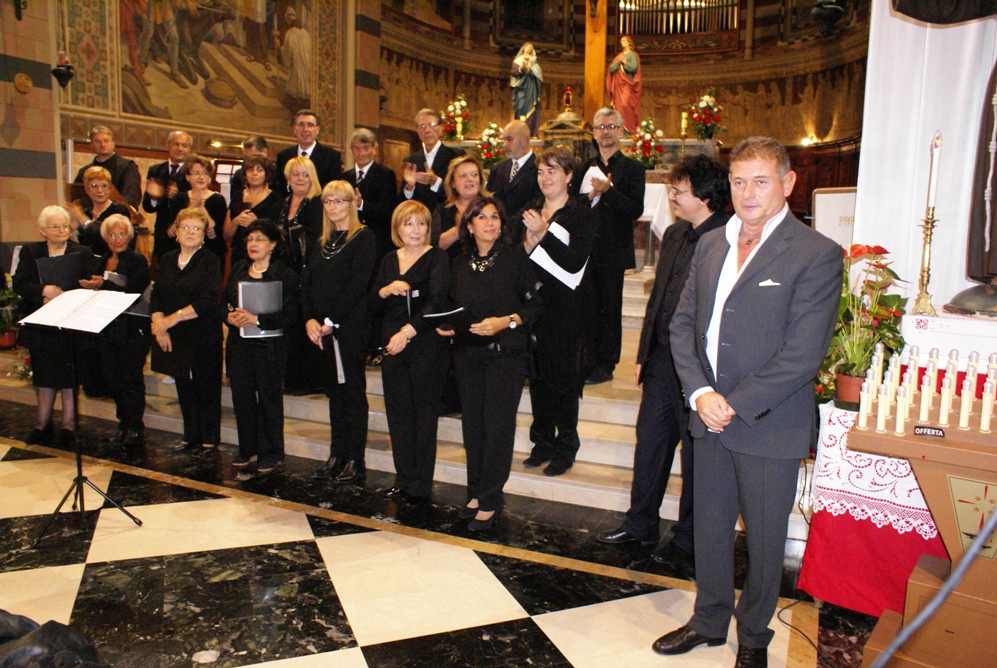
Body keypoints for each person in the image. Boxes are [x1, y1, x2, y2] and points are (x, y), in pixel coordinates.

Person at [655, 138, 842, 668]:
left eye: (761, 181)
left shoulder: (816, 252)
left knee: (763, 539)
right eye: (739, 181)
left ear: (788, 183)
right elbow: (683, 324)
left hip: (767, 421)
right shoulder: (710, 244)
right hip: (707, 413)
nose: (748, 192)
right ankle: (709, 619)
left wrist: (731, 403)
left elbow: (802, 355)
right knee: (709, 528)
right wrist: (700, 393)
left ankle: (755, 635)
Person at [595, 155, 731, 569]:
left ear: (705, 196)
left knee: (695, 457)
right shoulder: (673, 233)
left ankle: (687, 538)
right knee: (650, 446)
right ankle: (640, 524)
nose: (672, 196)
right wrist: (642, 354)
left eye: (679, 190)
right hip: (659, 363)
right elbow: (658, 299)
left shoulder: (727, 239)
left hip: (698, 373)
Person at [441, 195, 542, 531]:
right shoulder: (459, 262)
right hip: (468, 355)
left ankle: (492, 498)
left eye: (495, 217)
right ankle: (476, 490)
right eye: (481, 217)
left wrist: (505, 321)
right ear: (469, 225)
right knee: (473, 426)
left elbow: (535, 307)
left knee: (497, 426)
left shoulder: (514, 259)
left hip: (505, 355)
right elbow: (453, 306)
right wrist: (446, 324)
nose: (489, 223)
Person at [520, 148, 597, 477]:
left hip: (567, 306)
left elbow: (574, 261)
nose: (545, 177)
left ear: (569, 176)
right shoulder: (532, 209)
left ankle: (566, 446)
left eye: (552, 171)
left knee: (563, 378)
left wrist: (543, 233)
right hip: (536, 303)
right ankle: (542, 443)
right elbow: (522, 259)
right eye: (540, 171)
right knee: (538, 377)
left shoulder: (580, 213)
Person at [370, 201, 450, 503]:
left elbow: (437, 304)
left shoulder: (437, 257)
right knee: (398, 413)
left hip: (425, 344)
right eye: (409, 223)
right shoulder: (390, 259)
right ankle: (403, 477)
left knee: (423, 415)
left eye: (421, 224)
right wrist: (385, 290)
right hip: (393, 344)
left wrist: (407, 333)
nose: (415, 230)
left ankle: (420, 484)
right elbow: (373, 304)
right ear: (397, 228)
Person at [303, 181, 377, 484]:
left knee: (352, 393)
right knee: (334, 393)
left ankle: (355, 459)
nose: (333, 206)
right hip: (323, 329)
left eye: (339, 200)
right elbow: (307, 284)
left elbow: (359, 286)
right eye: (327, 201)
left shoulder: (364, 237)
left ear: (351, 202)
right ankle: (337, 454)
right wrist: (309, 319)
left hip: (349, 328)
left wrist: (331, 319)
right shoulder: (323, 241)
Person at [223, 220, 299, 480]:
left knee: (268, 397)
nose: (253, 244)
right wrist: (230, 317)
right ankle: (248, 448)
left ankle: (271, 451)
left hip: (269, 346)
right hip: (239, 343)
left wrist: (258, 319)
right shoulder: (238, 269)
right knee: (241, 396)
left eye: (259, 239)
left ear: (273, 245)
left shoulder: (284, 274)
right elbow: (226, 304)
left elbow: (291, 314)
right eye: (250, 239)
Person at [575, 108, 646, 385]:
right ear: (593, 133)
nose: (605, 131)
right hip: (584, 249)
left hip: (613, 250)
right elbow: (573, 207)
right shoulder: (582, 168)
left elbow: (635, 210)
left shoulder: (632, 169)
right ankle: (587, 359)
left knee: (610, 307)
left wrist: (609, 192)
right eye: (600, 126)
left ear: (620, 132)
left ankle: (606, 363)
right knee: (587, 307)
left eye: (611, 126)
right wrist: (590, 194)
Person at [13, 206, 94, 446]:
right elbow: (20, 284)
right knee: (44, 375)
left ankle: (69, 425)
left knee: (70, 376)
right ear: (42, 231)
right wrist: (43, 291)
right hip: (42, 323)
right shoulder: (31, 251)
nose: (61, 230)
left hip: (70, 322)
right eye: (54, 226)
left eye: (65, 225)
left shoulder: (82, 251)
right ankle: (42, 424)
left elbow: (89, 284)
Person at [150, 206, 223, 452]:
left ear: (204, 235)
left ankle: (209, 438)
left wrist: (172, 319)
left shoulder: (209, 260)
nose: (191, 232)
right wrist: (160, 325)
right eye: (186, 227)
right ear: (177, 232)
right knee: (183, 386)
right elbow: (157, 295)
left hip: (203, 333)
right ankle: (190, 435)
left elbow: (208, 299)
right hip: (176, 335)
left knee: (207, 387)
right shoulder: (169, 259)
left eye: (197, 229)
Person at [79, 213, 151, 448]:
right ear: (105, 237)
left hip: (132, 329)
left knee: (131, 379)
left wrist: (104, 285)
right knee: (113, 379)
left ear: (129, 236)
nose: (117, 239)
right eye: (112, 234)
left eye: (121, 234)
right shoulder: (101, 260)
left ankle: (135, 427)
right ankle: (123, 423)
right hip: (108, 328)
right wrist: (92, 287)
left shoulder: (137, 260)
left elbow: (134, 290)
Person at [278, 156, 324, 395]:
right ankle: (288, 375)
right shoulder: (284, 202)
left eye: (304, 174)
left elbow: (316, 238)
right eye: (295, 174)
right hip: (284, 272)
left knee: (302, 320)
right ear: (288, 178)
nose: (299, 179)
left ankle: (305, 380)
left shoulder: (315, 203)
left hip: (306, 271)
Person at [346, 128, 398, 264]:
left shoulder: (385, 175)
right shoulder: (345, 177)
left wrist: (361, 205)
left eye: (366, 148)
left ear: (375, 149)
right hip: (350, 240)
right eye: (356, 148)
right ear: (351, 151)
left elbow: (387, 211)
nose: (361, 153)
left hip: (376, 242)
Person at [165, 154, 228, 265]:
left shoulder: (218, 200)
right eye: (196, 173)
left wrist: (201, 208)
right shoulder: (180, 198)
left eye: (205, 173)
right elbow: (171, 233)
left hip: (210, 254)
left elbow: (213, 234)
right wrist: (189, 208)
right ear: (187, 177)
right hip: (181, 253)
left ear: (209, 177)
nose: (201, 177)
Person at [143, 130, 193, 267]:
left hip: (186, 232)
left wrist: (179, 194)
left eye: (184, 145)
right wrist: (154, 197)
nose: (180, 149)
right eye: (176, 144)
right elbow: (147, 207)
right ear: (168, 145)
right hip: (162, 233)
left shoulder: (194, 172)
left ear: (189, 149)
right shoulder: (156, 170)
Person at [400, 108, 465, 212]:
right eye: (422, 126)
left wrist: (436, 182)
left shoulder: (456, 156)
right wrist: (409, 187)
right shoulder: (410, 161)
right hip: (419, 219)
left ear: (440, 128)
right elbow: (402, 202)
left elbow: (461, 192)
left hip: (447, 217)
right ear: (418, 131)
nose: (427, 130)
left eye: (432, 125)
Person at [224, 154, 282, 267]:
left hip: (264, 255)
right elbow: (226, 234)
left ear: (267, 174)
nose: (254, 173)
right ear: (245, 173)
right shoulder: (237, 195)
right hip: (239, 254)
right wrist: (236, 221)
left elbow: (277, 233)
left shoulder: (276, 198)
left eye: (259, 170)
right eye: (250, 169)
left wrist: (257, 223)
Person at [432, 155, 490, 263]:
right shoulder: (443, 210)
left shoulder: (492, 206)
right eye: (463, 176)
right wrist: (459, 229)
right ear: (453, 183)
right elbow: (434, 247)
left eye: (474, 175)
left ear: (481, 180)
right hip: (451, 270)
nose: (469, 179)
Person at [67, 166, 132, 256]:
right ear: (87, 189)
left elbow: (104, 238)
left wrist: (83, 220)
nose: (99, 190)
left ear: (110, 188)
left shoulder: (119, 211)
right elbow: (80, 244)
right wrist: (73, 231)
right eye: (94, 186)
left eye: (103, 185)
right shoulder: (85, 211)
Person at [73, 126, 142, 209]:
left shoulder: (127, 167)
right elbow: (76, 199)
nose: (102, 144)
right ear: (92, 145)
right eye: (97, 141)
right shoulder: (84, 172)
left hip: (119, 217)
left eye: (106, 140)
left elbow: (131, 198)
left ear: (113, 144)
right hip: (92, 218)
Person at [485, 120, 541, 221]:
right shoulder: (497, 169)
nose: (504, 145)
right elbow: (488, 202)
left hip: (524, 230)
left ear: (524, 140)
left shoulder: (539, 169)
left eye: (509, 139)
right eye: (503, 140)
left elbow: (537, 204)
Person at [274, 110, 342, 192]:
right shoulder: (283, 156)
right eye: (301, 124)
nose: (305, 129)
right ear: (295, 128)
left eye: (310, 125)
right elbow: (279, 188)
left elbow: (334, 190)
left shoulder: (331, 156)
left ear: (317, 129)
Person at [606, 36, 642, 135]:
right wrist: (619, 62)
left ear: (629, 42)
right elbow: (611, 69)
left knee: (625, 104)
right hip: (618, 85)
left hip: (628, 84)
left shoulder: (633, 55)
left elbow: (633, 68)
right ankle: (620, 130)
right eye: (621, 41)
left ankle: (629, 130)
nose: (622, 42)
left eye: (624, 40)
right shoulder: (618, 57)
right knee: (618, 107)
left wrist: (625, 62)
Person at [229, 136, 270, 213]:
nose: (249, 161)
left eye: (253, 156)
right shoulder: (239, 174)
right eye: (246, 157)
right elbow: (233, 207)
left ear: (265, 152)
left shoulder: (277, 174)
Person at [510, 42, 542, 136]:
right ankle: (519, 131)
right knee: (520, 105)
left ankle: (530, 132)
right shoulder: (518, 59)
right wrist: (521, 69)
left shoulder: (534, 60)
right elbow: (513, 71)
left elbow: (538, 73)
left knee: (531, 107)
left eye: (530, 47)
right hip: (521, 87)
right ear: (523, 48)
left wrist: (530, 70)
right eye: (527, 47)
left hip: (531, 87)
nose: (528, 48)